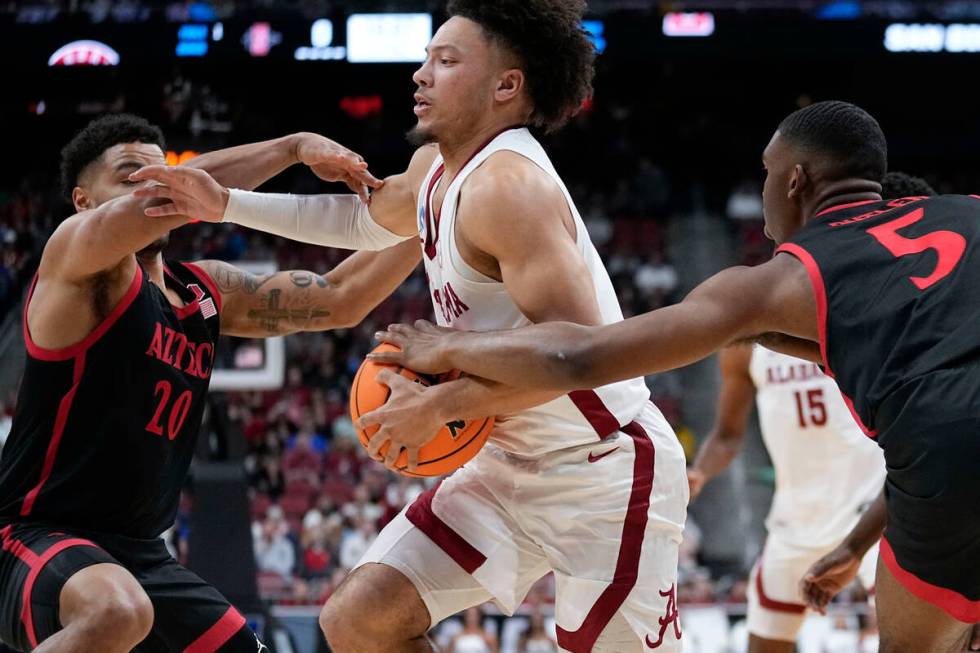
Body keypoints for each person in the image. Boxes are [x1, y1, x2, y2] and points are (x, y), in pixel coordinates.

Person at [132, 1, 688, 651]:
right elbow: (360, 223)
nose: (420, 74)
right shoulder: (436, 169)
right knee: (360, 620)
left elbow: (576, 356)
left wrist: (447, 398)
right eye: (425, 57)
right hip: (506, 458)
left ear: (506, 86)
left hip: (602, 467)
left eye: (446, 61)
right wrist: (225, 202)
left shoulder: (510, 185)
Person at [369, 101, 980, 652]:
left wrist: (450, 347)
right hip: (919, 462)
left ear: (795, 181)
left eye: (765, 173)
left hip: (940, 461)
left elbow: (578, 360)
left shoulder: (778, 280)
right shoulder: (967, 213)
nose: (761, 188)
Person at [0, 113, 419, 653]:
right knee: (115, 611)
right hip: (32, 537)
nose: (151, 182)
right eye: (130, 174)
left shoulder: (203, 290)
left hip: (142, 557)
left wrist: (432, 210)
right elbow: (167, 194)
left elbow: (340, 298)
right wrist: (291, 146)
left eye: (160, 169)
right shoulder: (76, 263)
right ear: (83, 201)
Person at [687, 175, 935, 653]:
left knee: (910, 639)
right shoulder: (751, 331)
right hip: (795, 522)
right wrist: (701, 472)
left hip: (871, 513)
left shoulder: (868, 310)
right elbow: (728, 437)